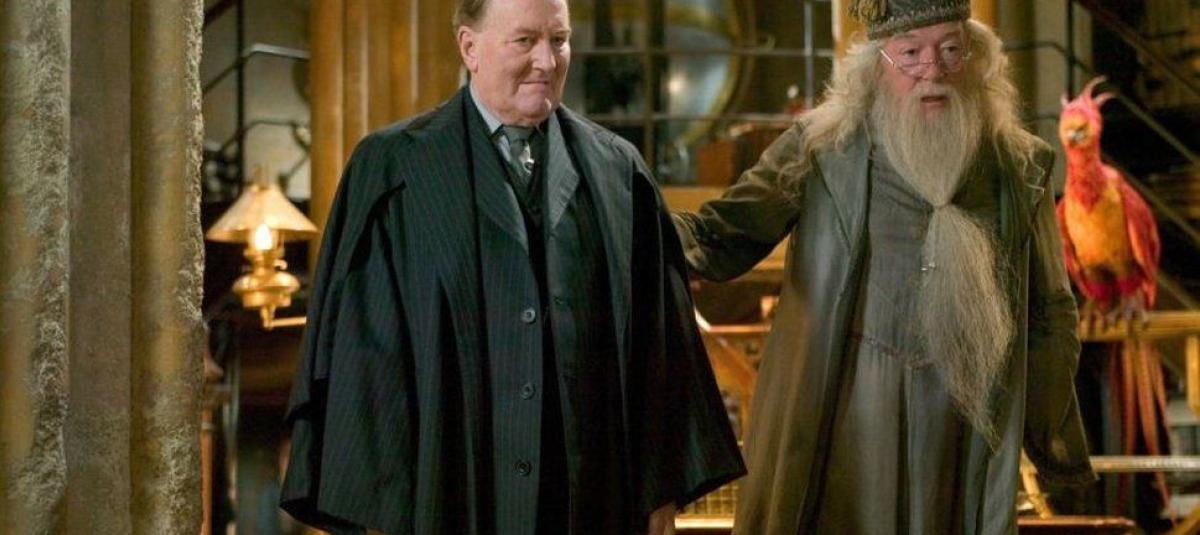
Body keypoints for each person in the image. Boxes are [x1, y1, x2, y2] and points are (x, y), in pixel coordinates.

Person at [279, 0, 744, 533]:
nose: (547, 61)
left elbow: (660, 344)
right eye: (525, 41)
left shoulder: (618, 172)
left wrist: (660, 490)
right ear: (469, 47)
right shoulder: (394, 170)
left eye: (559, 40)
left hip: (591, 494)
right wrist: (377, 507)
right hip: (448, 491)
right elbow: (366, 352)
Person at [672, 1, 1096, 533]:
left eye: (950, 50)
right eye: (910, 53)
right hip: (845, 416)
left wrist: (1055, 442)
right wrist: (630, 230)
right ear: (876, 67)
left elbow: (1049, 313)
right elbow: (723, 233)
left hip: (964, 427)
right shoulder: (819, 149)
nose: (932, 71)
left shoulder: (1019, 167)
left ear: (977, 58)